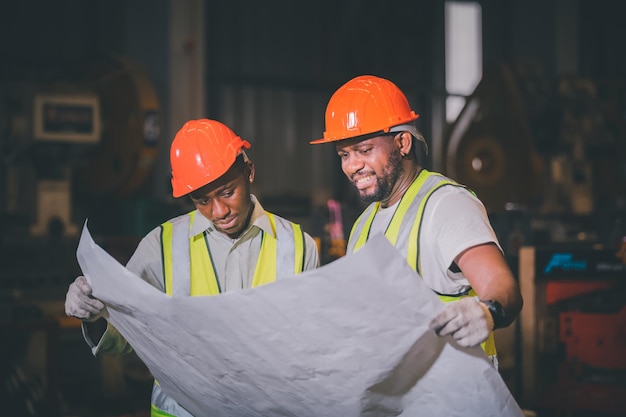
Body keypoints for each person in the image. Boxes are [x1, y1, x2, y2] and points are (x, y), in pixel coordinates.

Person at [65, 118, 320, 417]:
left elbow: (310, 350)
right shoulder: (161, 246)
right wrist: (94, 313)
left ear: (249, 172)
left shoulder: (298, 247)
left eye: (227, 192)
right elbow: (126, 336)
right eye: (202, 200)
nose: (219, 211)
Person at [310, 75, 523, 366]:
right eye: (344, 154)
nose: (352, 166)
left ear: (402, 142)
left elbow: (503, 285)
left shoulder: (446, 204)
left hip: (456, 397)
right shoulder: (363, 224)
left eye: (364, 150)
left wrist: (487, 313)